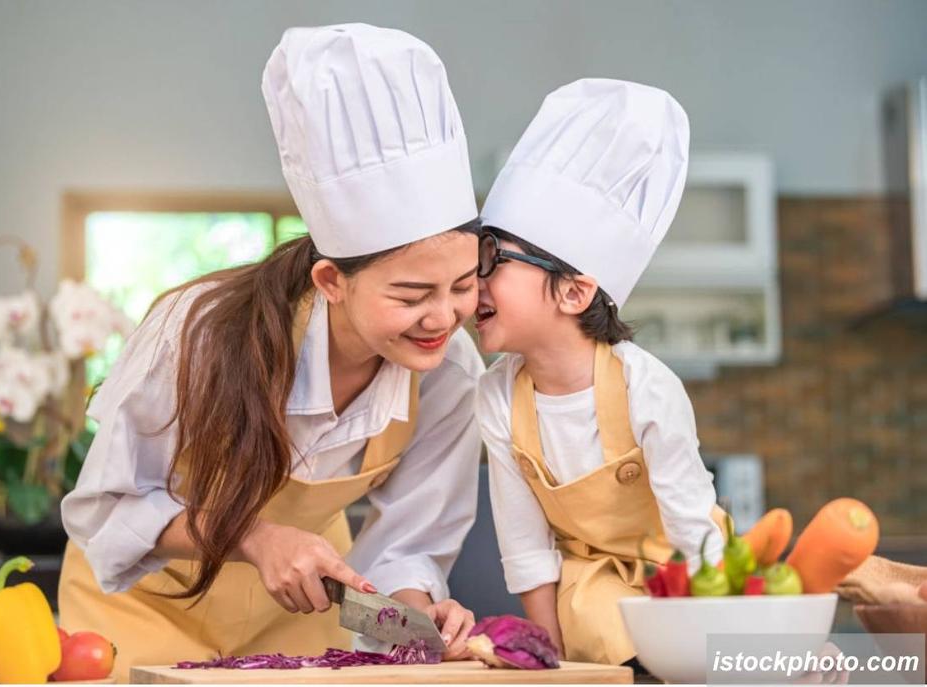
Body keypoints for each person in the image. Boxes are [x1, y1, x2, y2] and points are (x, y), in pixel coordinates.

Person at [58, 23, 483, 680]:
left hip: (298, 621)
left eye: (462, 285)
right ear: (331, 280)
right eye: (411, 293)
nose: (443, 317)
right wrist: (254, 536)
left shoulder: (452, 374)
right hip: (139, 611)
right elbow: (106, 507)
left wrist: (419, 618)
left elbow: (408, 544)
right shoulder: (196, 331)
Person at [475, 78, 725, 666]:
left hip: (695, 577)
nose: (472, 280)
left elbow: (694, 529)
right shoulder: (495, 395)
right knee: (605, 627)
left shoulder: (648, 387)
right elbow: (526, 545)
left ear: (573, 291)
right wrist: (549, 661)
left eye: (494, 259)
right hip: (592, 595)